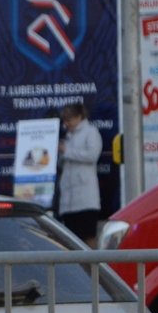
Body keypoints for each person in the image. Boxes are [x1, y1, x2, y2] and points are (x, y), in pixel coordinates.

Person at [57, 102, 104, 242]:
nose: (66, 124)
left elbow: (92, 155)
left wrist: (67, 151)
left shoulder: (91, 132)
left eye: (69, 120)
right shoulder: (67, 137)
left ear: (79, 117)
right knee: (71, 241)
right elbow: (63, 163)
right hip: (68, 202)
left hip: (86, 200)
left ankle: (92, 264)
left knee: (88, 237)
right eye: (64, 121)